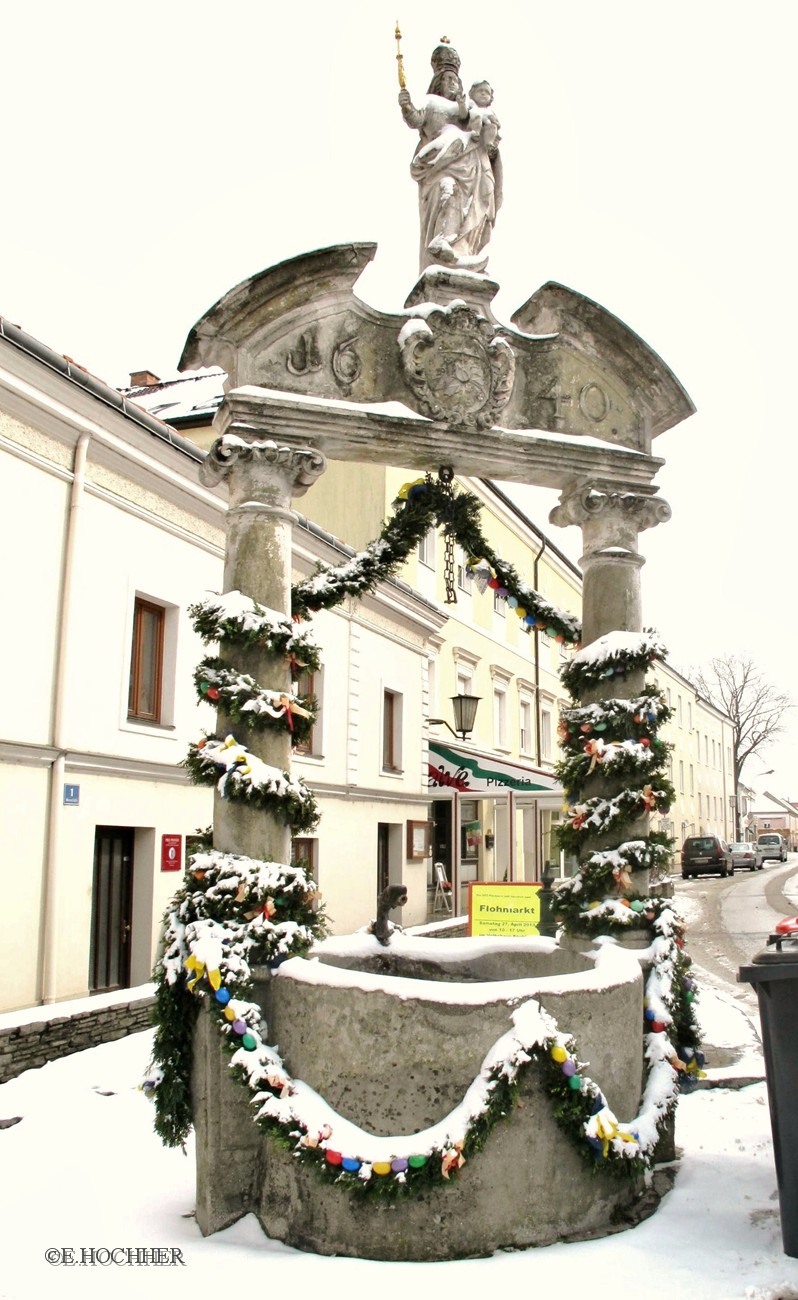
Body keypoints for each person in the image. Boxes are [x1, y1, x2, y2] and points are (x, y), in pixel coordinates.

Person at [398, 44, 501, 272]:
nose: (453, 83)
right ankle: (442, 241)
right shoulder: (432, 103)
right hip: (439, 166)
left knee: (470, 206)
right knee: (448, 191)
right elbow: (415, 119)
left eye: (456, 80)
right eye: (448, 79)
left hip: (470, 169)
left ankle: (462, 249)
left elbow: (483, 132)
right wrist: (406, 106)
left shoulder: (463, 109)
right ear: (438, 82)